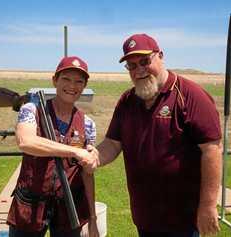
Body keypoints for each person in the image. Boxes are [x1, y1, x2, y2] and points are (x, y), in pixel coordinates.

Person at [85, 34, 222, 237]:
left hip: (182, 219)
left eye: (144, 61)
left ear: (160, 56)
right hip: (145, 217)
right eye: (131, 66)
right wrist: (94, 156)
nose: (139, 70)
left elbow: (212, 150)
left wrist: (208, 206)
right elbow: (113, 143)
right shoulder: (127, 101)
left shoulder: (191, 96)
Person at [7, 56, 99, 237]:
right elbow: (26, 142)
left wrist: (93, 219)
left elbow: (87, 175)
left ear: (84, 86)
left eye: (79, 81)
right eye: (66, 79)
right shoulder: (32, 110)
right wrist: (75, 151)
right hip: (30, 206)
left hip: (69, 209)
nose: (72, 86)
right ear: (55, 80)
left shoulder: (87, 124)